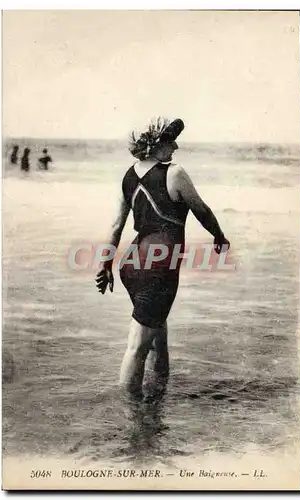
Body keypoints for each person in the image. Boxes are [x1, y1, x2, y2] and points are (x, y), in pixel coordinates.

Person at [95, 117, 230, 399]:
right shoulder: (175, 173)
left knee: (157, 335)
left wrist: (105, 264)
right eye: (170, 141)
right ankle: (129, 416)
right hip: (159, 267)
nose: (176, 146)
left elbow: (115, 227)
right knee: (137, 347)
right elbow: (201, 210)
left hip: (132, 263)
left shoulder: (128, 176)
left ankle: (157, 401)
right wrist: (219, 236)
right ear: (155, 145)